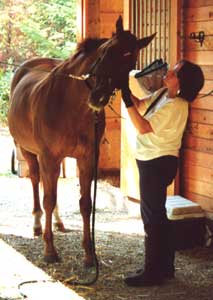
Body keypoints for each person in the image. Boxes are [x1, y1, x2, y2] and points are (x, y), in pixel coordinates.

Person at [121, 60, 204, 287]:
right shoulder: (162, 94)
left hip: (158, 162)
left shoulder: (177, 105)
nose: (168, 72)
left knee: (152, 217)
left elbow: (143, 126)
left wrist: (126, 100)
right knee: (158, 216)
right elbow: (139, 106)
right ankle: (164, 267)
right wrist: (123, 89)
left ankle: (152, 272)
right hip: (151, 160)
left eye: (174, 72)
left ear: (181, 81)